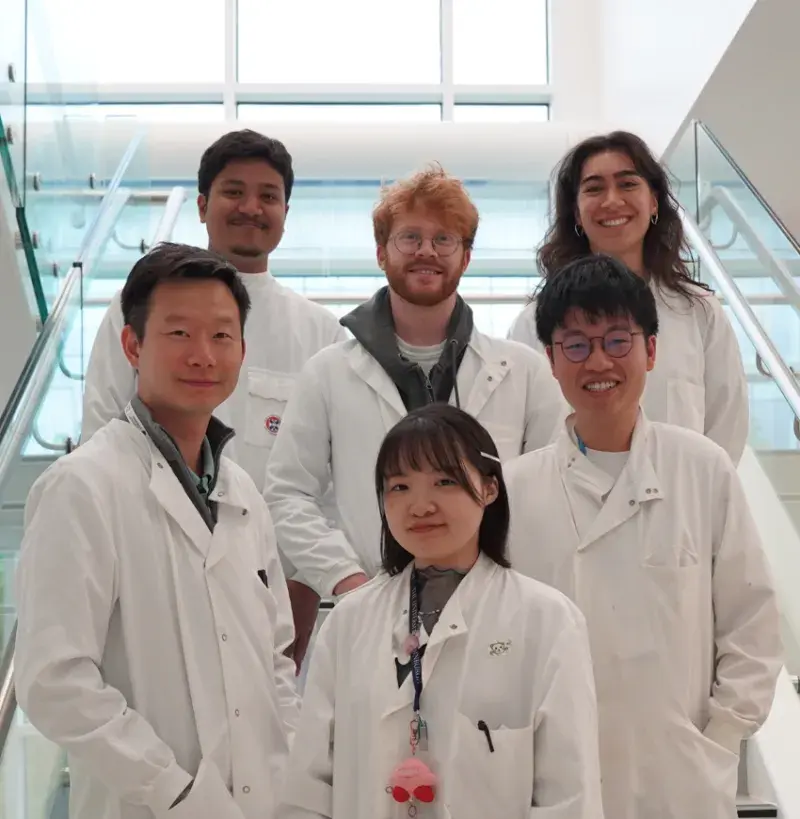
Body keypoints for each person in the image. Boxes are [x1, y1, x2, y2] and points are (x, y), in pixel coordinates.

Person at [16, 244, 300, 819]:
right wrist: (176, 793)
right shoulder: (83, 486)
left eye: (222, 336)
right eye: (178, 333)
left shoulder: (242, 492)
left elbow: (273, 660)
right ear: (132, 345)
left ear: (242, 351)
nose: (203, 355)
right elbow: (54, 682)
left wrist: (293, 773)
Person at [504, 254, 782, 819]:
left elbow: (751, 621)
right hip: (551, 775)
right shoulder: (514, 489)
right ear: (551, 362)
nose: (598, 360)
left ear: (651, 351)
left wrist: (720, 737)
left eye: (617, 340)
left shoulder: (701, 468)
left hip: (678, 775)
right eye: (575, 344)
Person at [81, 129, 347, 668]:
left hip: (271, 592)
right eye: (233, 192)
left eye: (268, 196)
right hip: (150, 576)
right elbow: (101, 434)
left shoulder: (321, 334)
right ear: (201, 205)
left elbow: (328, 487)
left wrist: (297, 597)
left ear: (285, 212)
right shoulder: (137, 306)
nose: (251, 207)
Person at [277, 404, 603, 819]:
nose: (420, 505)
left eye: (444, 481)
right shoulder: (349, 621)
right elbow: (308, 787)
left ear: (489, 488)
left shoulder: (547, 621)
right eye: (399, 487)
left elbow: (568, 799)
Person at [265, 166, 567, 605]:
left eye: (444, 239)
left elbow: (553, 492)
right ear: (381, 253)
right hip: (371, 603)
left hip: (496, 607)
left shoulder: (524, 371)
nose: (426, 251)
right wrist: (346, 579)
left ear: (465, 257)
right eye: (410, 238)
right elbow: (288, 492)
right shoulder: (327, 373)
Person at [508, 131, 749, 464]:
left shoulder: (700, 312)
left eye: (628, 184)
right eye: (593, 188)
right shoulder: (533, 322)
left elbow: (727, 427)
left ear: (653, 202)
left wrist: (696, 497)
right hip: (566, 508)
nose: (611, 201)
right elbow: (519, 436)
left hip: (677, 506)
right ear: (576, 214)